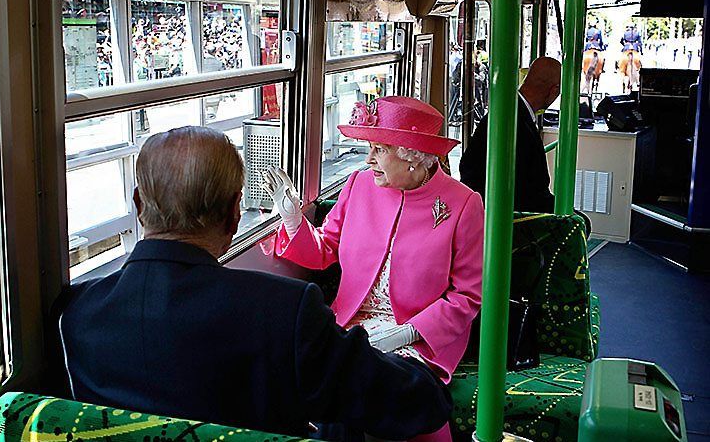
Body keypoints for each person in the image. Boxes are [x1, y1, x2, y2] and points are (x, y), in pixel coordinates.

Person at [55, 126, 452, 441]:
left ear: (139, 207)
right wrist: (426, 380)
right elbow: (409, 403)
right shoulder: (283, 312)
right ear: (233, 215)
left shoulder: (76, 317)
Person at [264, 96, 484, 442]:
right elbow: (325, 250)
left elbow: (468, 296)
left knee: (344, 381)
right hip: (350, 326)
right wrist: (293, 220)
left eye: (379, 149)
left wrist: (408, 333)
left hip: (418, 341)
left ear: (413, 155)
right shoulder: (358, 185)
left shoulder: (464, 204)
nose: (369, 159)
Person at [459, 56, 561, 213]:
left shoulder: (509, 111)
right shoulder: (516, 120)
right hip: (509, 216)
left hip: (486, 208)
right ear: (554, 91)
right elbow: (530, 191)